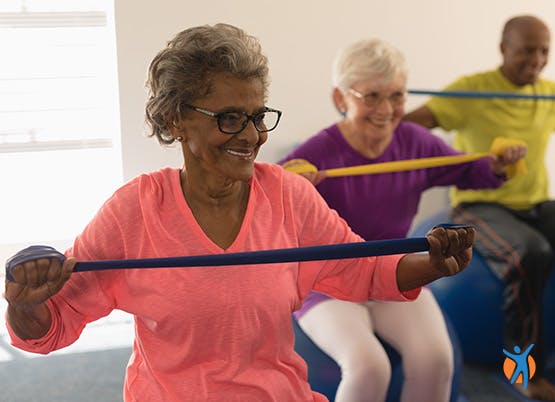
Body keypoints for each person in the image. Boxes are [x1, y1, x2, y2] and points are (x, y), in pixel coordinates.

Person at [3, 23, 476, 402]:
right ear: (175, 119)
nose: (251, 136)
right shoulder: (135, 211)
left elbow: (363, 268)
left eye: (257, 116)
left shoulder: (288, 197)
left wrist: (435, 263)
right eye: (229, 118)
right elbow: (52, 326)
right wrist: (25, 304)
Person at [279, 38, 525, 402]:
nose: (387, 109)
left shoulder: (415, 142)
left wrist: (499, 165)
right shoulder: (316, 155)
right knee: (368, 366)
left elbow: (470, 169)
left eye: (396, 96)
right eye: (372, 96)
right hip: (328, 284)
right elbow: (269, 206)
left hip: (396, 272)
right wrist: (289, 188)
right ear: (340, 99)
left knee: (437, 360)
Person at [404, 14, 555, 401]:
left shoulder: (546, 94)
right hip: (480, 203)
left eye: (544, 51)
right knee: (529, 254)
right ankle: (520, 369)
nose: (536, 60)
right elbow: (408, 129)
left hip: (536, 204)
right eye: (526, 51)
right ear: (504, 48)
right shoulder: (472, 91)